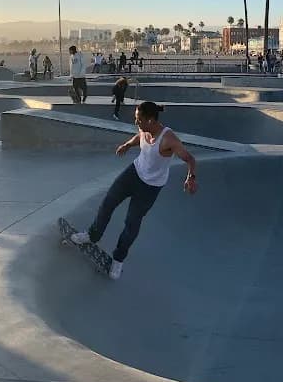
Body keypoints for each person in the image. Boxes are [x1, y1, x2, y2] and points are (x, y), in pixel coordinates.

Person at [70, 102, 197, 280]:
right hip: (133, 173)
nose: (136, 122)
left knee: (132, 223)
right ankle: (92, 235)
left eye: (139, 120)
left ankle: (118, 259)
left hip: (150, 187)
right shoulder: (144, 129)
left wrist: (190, 178)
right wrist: (127, 145)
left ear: (150, 120)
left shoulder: (169, 139)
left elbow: (190, 159)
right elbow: (139, 137)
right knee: (108, 203)